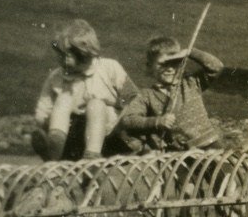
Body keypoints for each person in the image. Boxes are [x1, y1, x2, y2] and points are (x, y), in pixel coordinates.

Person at [31, 20, 137, 161]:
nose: (61, 60)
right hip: (72, 133)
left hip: (107, 133)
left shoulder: (109, 68)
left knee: (96, 104)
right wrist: (47, 122)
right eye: (59, 55)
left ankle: (91, 156)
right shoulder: (56, 77)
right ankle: (55, 147)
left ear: (84, 53)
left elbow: (133, 99)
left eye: (66, 56)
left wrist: (119, 123)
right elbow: (42, 111)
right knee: (63, 99)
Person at [116, 36, 224, 152]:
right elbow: (128, 119)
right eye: (163, 64)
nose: (170, 69)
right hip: (181, 152)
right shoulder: (147, 95)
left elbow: (217, 67)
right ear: (149, 67)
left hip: (209, 143)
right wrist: (157, 122)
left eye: (174, 63)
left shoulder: (191, 82)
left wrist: (191, 52)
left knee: (224, 167)